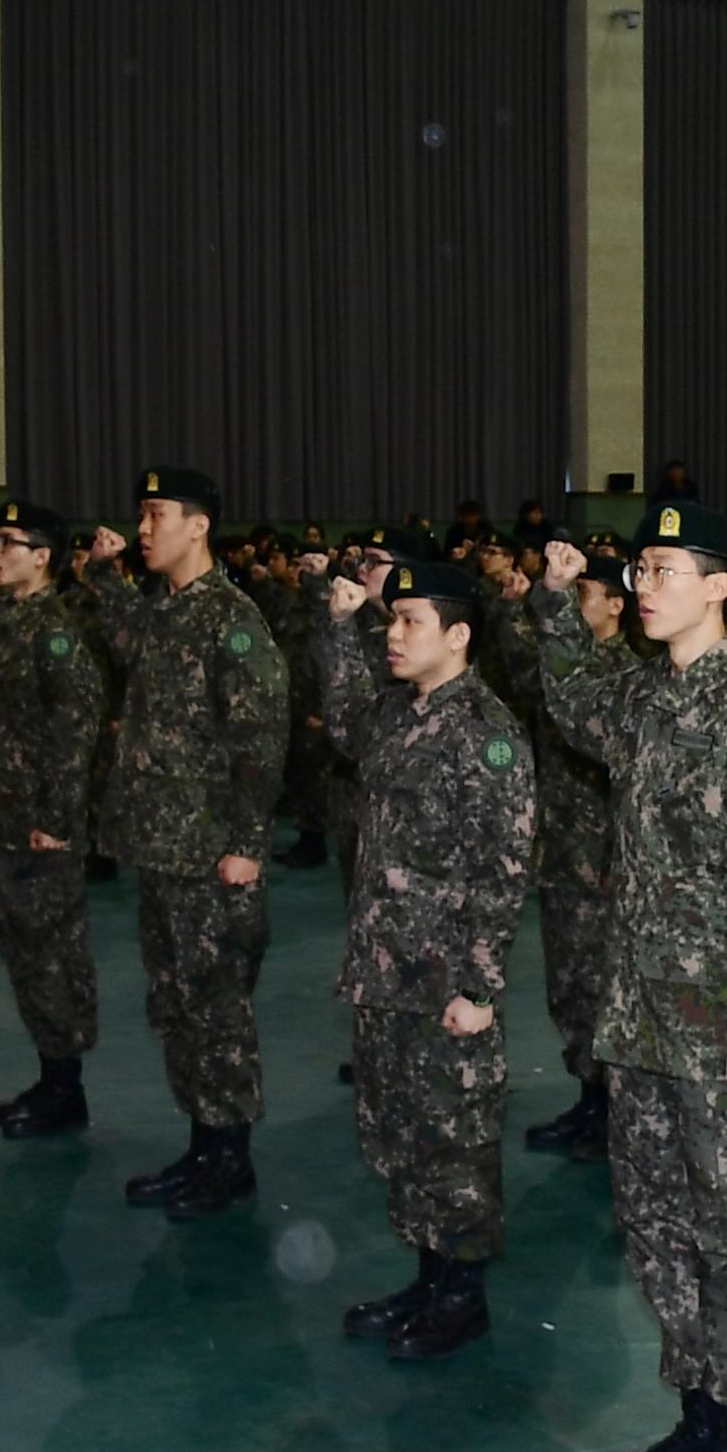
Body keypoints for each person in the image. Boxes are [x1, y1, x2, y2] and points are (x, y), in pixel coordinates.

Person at [531, 508, 727, 1452]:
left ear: (720, 586)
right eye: (639, 568)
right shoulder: (649, 700)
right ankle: (696, 1412)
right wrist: (558, 603)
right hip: (644, 1016)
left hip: (726, 1026)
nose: (642, 583)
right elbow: (568, 697)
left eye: (662, 569)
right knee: (658, 1222)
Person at [316, 555, 536, 1359]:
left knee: (454, 1139)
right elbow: (341, 723)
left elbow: (503, 869)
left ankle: (462, 1295)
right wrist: (339, 633)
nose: (395, 633)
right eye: (393, 618)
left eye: (411, 621)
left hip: (445, 979)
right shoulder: (397, 713)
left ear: (460, 635)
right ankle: (427, 1274)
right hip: (385, 968)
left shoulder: (489, 735)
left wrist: (479, 985)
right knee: (400, 1132)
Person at [71, 470, 290, 1217]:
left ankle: (229, 1160)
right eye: (140, 514)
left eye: (157, 515)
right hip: (165, 848)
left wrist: (247, 843)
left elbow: (260, 737)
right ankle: (202, 1147)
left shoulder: (232, 620)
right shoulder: (168, 611)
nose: (143, 528)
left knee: (217, 1008)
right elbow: (128, 636)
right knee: (176, 1005)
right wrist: (101, 575)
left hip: (210, 854)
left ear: (198, 526)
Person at [0, 502, 107, 1140]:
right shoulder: (12, 619)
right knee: (22, 952)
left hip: (40, 824)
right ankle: (50, 1078)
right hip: (7, 814)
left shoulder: (55, 630)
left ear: (43, 556)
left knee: (51, 955)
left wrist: (56, 816)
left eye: (10, 543)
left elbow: (78, 725)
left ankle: (65, 1089)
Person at [507, 530, 629, 1161]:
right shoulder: (568, 669)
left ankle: (611, 1109)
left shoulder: (623, 674)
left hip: (602, 861)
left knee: (604, 988)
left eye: (584, 592)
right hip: (560, 850)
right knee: (569, 986)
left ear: (615, 604)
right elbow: (523, 668)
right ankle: (588, 1098)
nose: (576, 601)